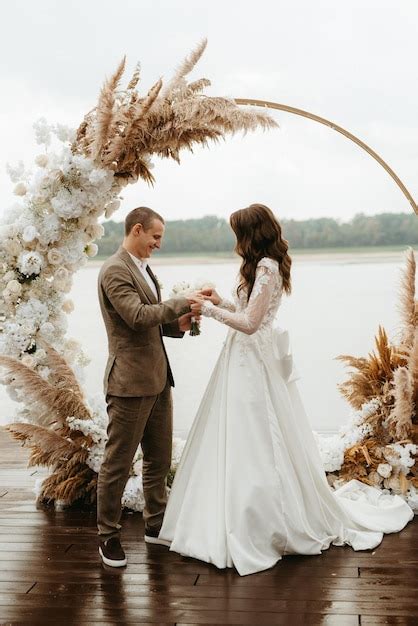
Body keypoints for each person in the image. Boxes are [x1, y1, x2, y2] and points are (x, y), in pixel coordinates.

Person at [159, 203, 414, 576]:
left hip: (253, 361)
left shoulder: (266, 267)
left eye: (238, 232)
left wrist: (208, 312)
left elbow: (249, 324)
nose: (235, 239)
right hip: (242, 359)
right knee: (237, 434)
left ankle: (264, 522)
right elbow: (247, 311)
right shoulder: (260, 265)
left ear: (251, 233)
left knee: (259, 435)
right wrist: (218, 301)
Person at [97, 206, 202, 567]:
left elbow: (153, 322)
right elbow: (138, 317)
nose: (158, 244)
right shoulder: (114, 270)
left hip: (158, 380)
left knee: (158, 459)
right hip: (128, 383)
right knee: (118, 463)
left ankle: (155, 525)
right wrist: (182, 301)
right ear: (137, 230)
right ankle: (107, 535)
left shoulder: (143, 268)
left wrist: (182, 322)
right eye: (155, 237)